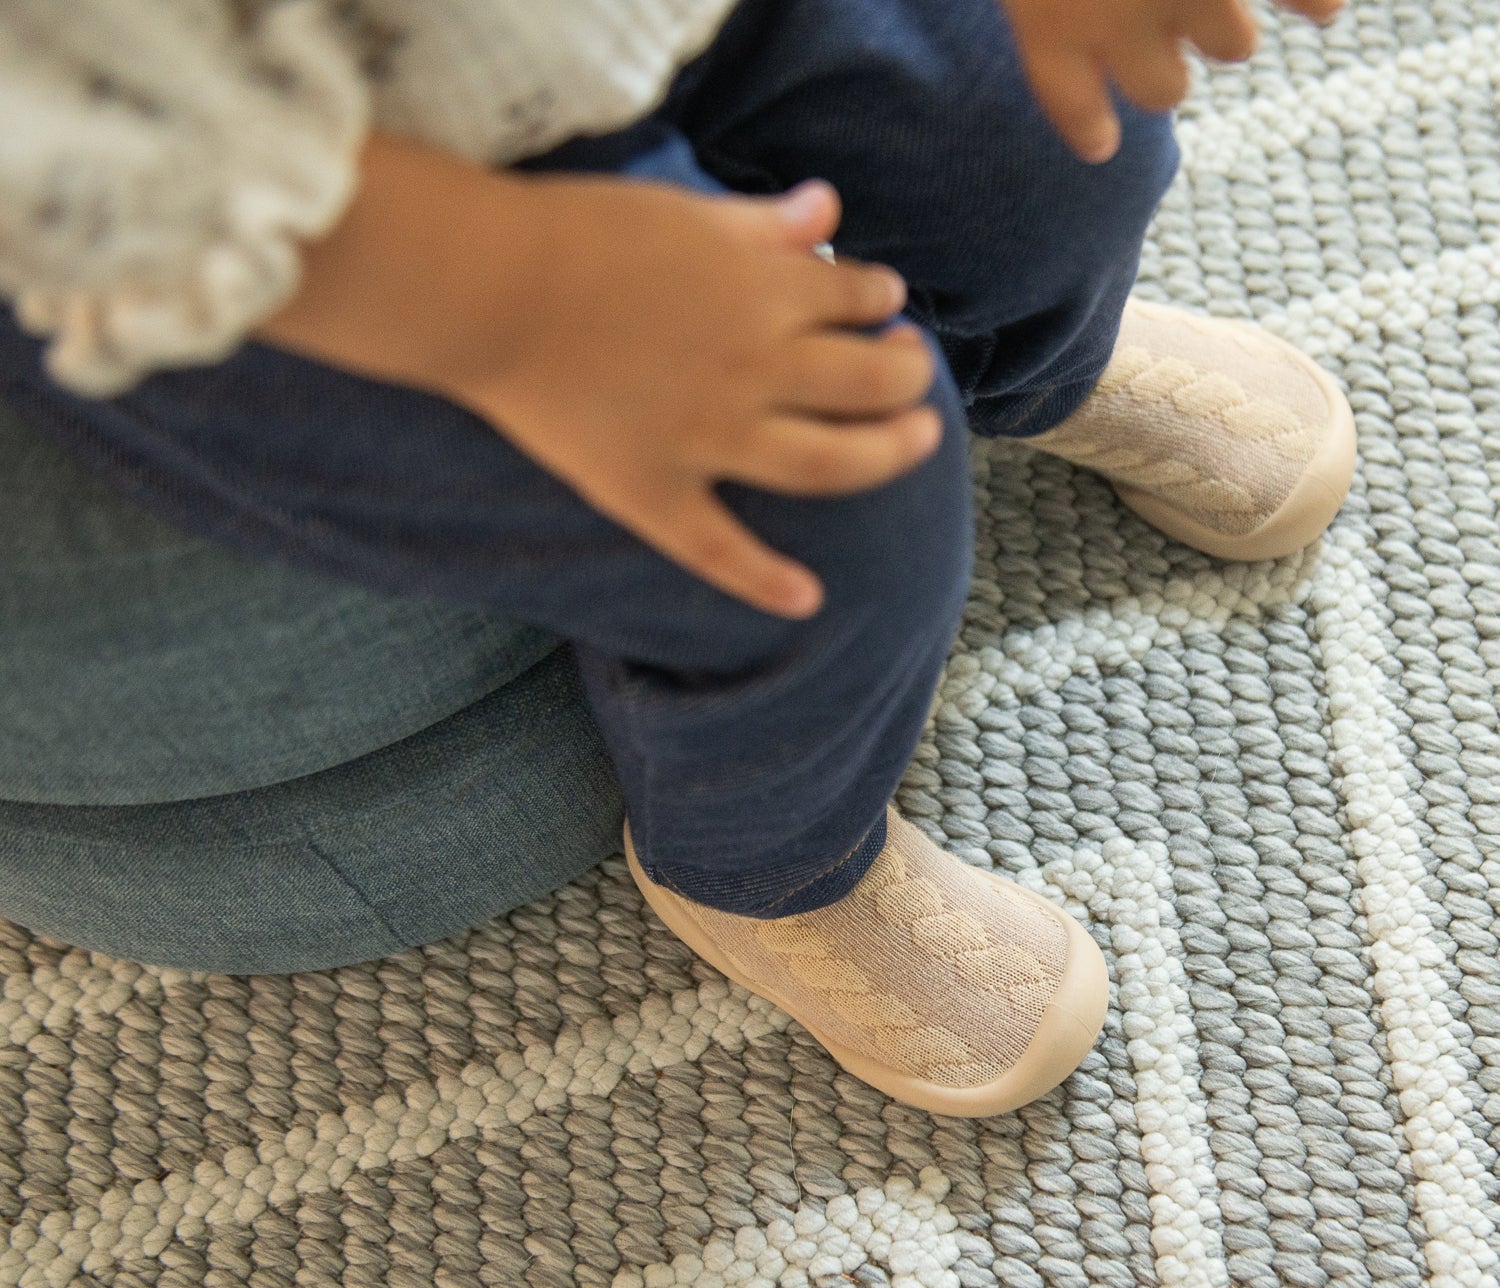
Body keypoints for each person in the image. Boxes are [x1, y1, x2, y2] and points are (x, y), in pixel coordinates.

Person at [0, 0, 1354, 1115]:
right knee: (819, 509)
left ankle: (1033, 363)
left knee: (1046, 146)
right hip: (229, 177)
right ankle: (770, 870)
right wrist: (517, 301)